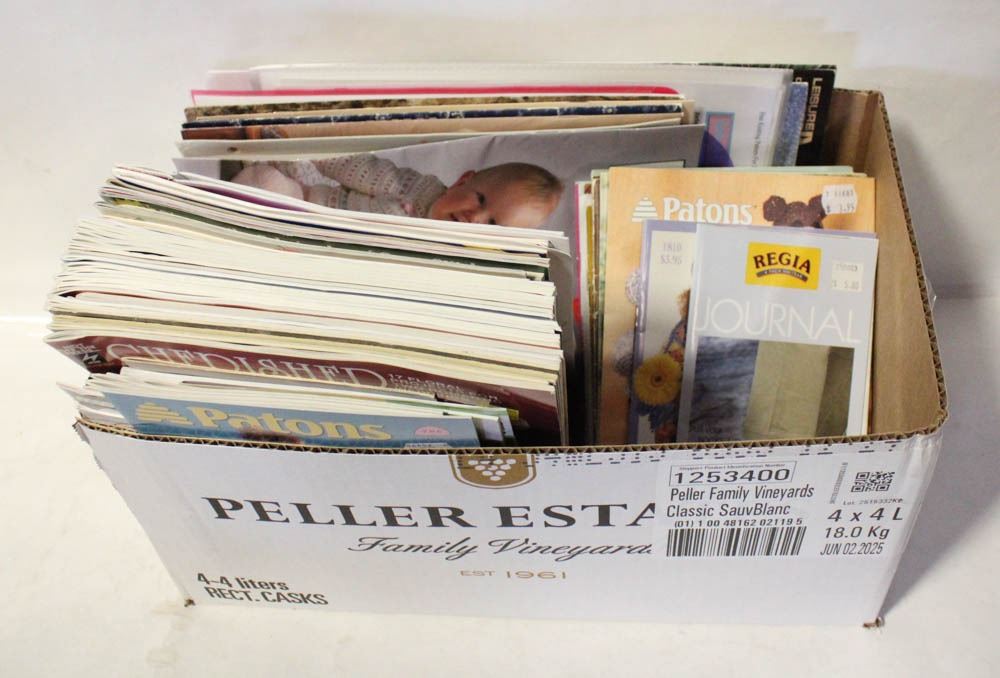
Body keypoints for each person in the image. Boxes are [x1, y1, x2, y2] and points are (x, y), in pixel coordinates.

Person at [231, 154, 562, 229]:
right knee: (267, 182)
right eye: (480, 199)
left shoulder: (451, 262)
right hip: (310, 205)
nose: (475, 217)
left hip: (327, 258)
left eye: (492, 224)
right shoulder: (418, 189)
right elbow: (355, 167)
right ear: (464, 180)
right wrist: (314, 148)